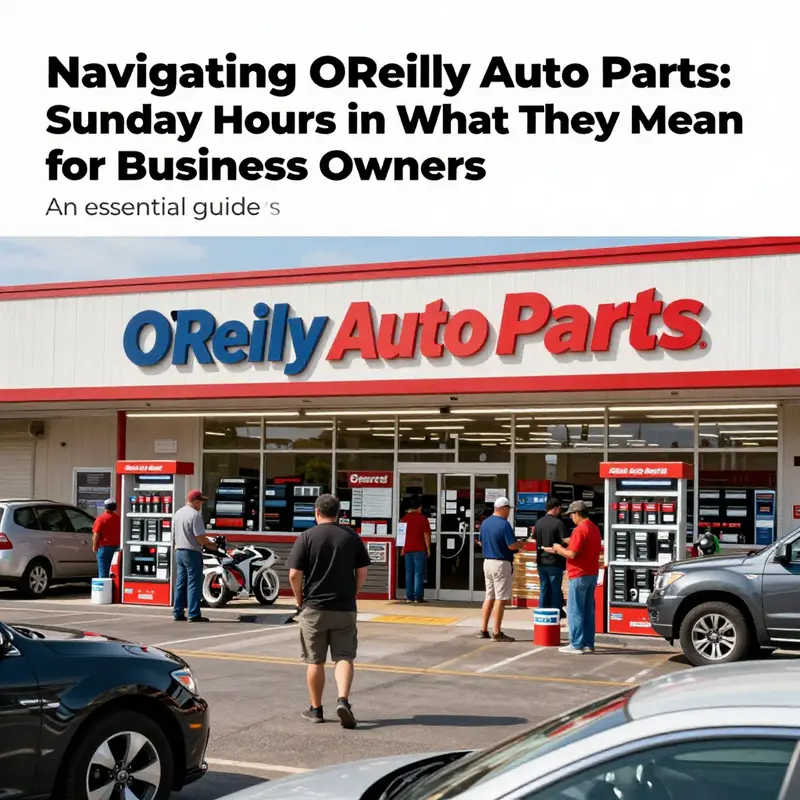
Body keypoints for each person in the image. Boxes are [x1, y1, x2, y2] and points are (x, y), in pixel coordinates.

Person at [287, 493, 371, 728]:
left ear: (317, 512)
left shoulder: (306, 537)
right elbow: (362, 571)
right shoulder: (351, 537)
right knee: (344, 656)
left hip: (314, 607)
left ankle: (316, 709)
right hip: (344, 606)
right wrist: (353, 593)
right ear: (339, 514)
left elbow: (294, 574)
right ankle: (343, 700)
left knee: (315, 660)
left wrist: (299, 599)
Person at [544, 500, 602, 654]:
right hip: (591, 573)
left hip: (578, 573)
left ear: (577, 513)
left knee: (575, 610)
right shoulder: (594, 528)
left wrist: (558, 548)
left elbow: (572, 553)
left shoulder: (580, 529)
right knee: (588, 610)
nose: (571, 518)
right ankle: (588, 642)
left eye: (571, 515)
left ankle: (576, 644)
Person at [477, 497, 524, 642]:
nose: (509, 512)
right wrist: (521, 543)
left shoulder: (485, 523)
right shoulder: (504, 525)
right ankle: (497, 632)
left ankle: (483, 629)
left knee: (489, 596)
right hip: (501, 563)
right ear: (503, 508)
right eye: (508, 508)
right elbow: (511, 546)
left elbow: (480, 541)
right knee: (501, 599)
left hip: (487, 562)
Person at [172, 489, 219, 624]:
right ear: (196, 501)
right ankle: (193, 613)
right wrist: (213, 546)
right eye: (201, 502)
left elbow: (174, 534)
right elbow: (200, 538)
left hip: (179, 551)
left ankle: (178, 611)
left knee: (181, 583)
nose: (201, 505)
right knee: (194, 583)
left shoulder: (178, 513)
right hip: (191, 551)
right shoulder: (195, 515)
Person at [534, 497, 568, 616]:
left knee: (544, 587)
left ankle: (542, 610)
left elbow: (533, 539)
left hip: (541, 561)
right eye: (559, 509)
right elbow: (566, 540)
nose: (560, 511)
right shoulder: (558, 523)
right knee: (555, 588)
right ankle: (556, 611)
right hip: (555, 561)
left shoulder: (538, 522)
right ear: (555, 509)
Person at [399, 495, 431, 603]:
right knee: (418, 573)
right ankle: (418, 596)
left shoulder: (404, 519)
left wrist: (402, 548)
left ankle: (409, 596)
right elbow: (426, 534)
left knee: (409, 573)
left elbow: (401, 535)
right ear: (419, 507)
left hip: (407, 549)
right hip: (419, 549)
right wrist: (428, 548)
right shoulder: (422, 519)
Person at [92, 498, 121, 579]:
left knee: (103, 572)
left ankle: (104, 591)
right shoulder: (118, 519)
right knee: (114, 572)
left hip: (104, 548)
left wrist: (94, 546)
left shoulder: (101, 519)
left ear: (105, 507)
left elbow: (96, 534)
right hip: (117, 548)